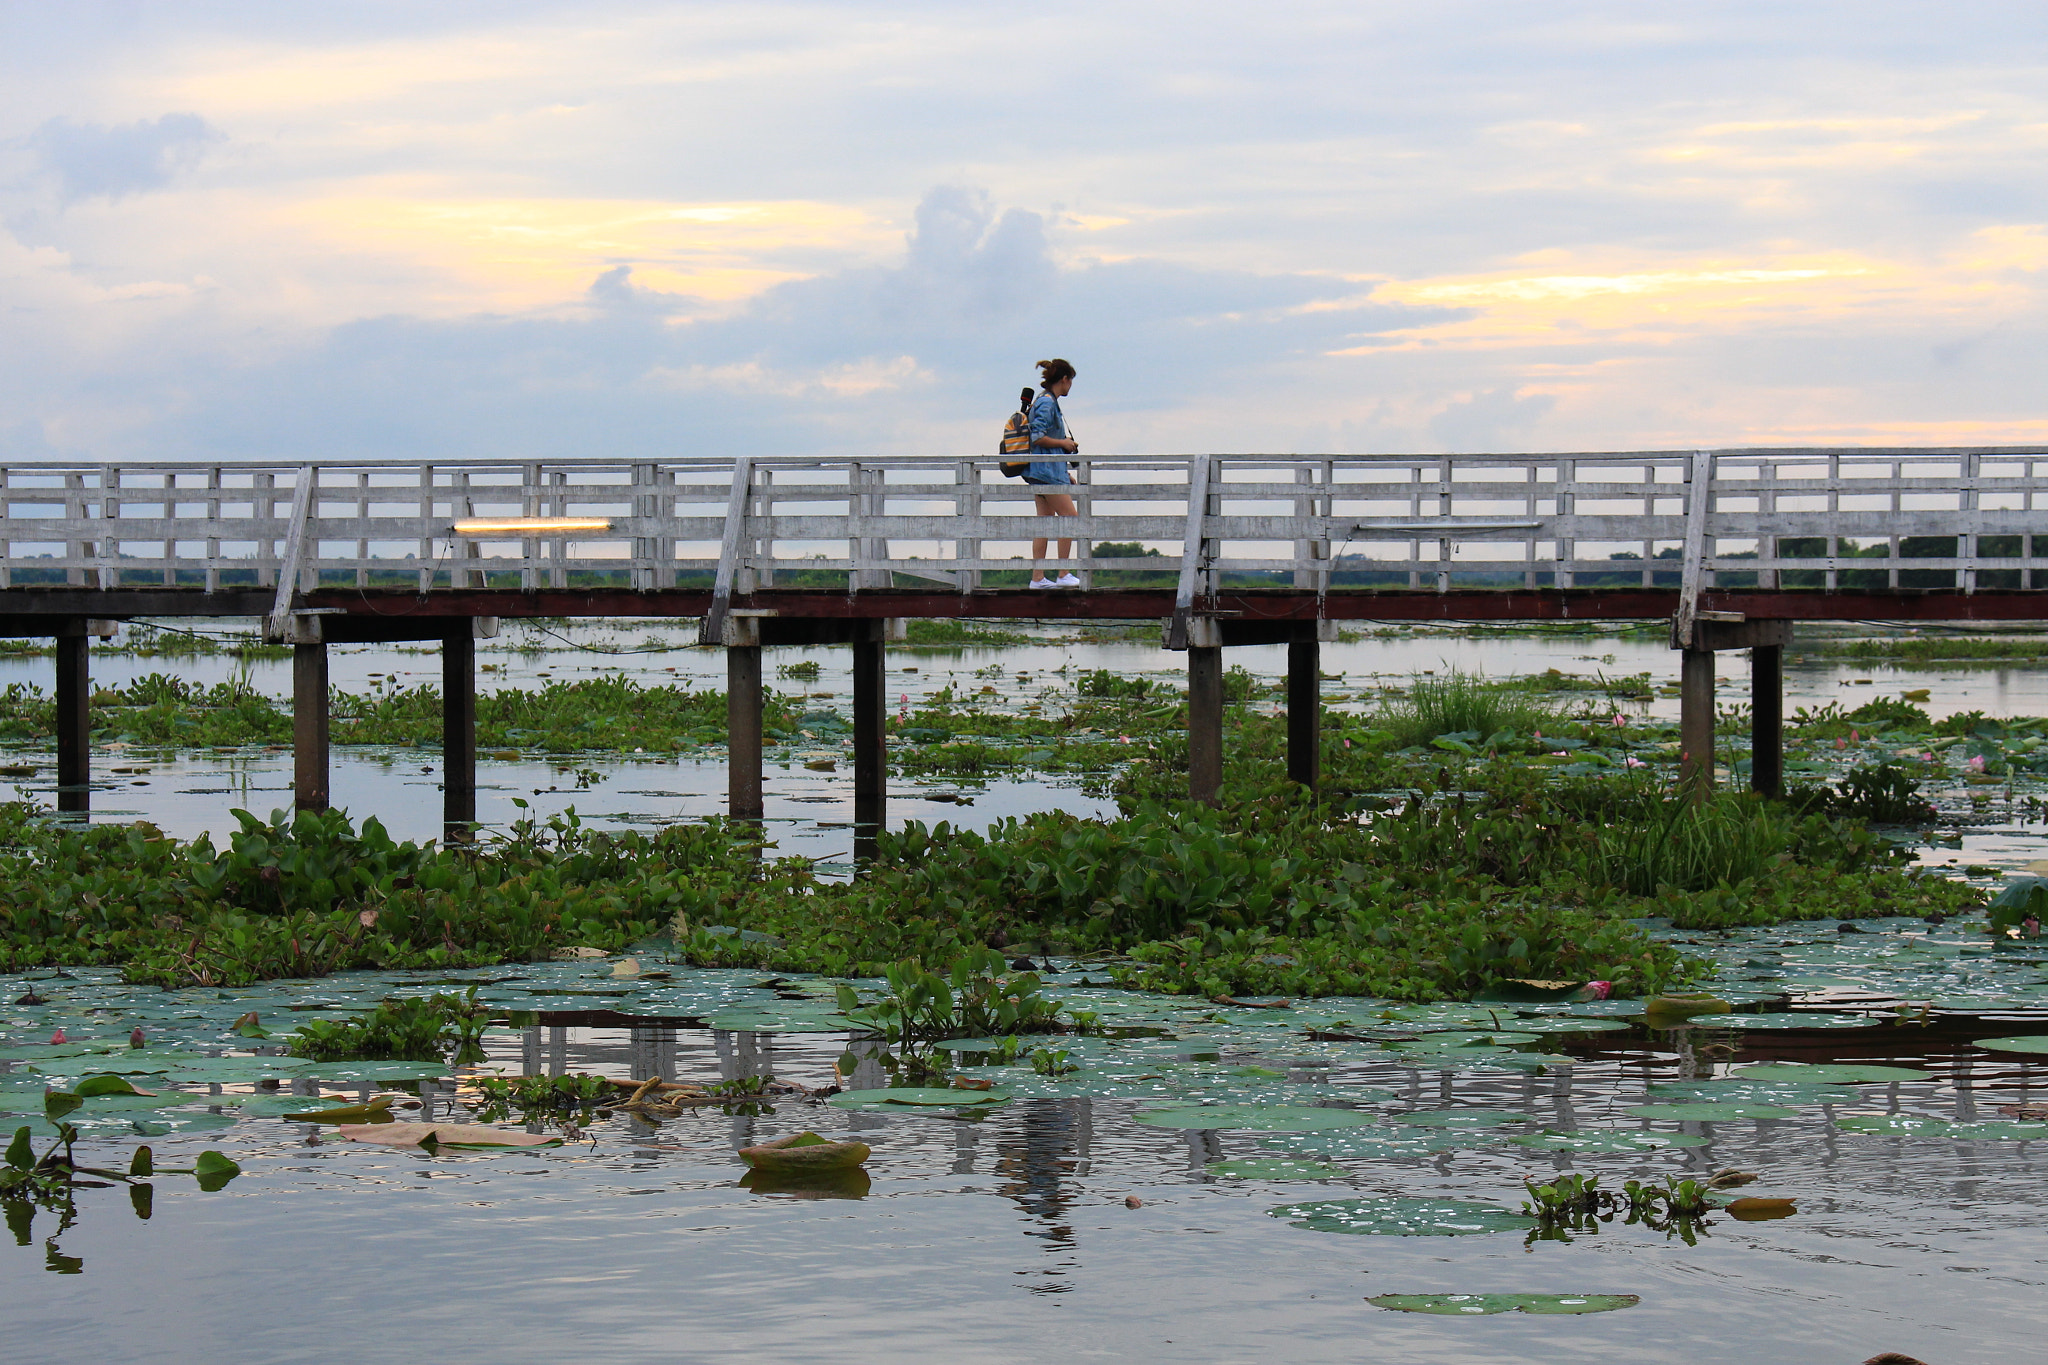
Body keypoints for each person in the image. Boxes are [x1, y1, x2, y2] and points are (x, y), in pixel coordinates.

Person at [1023, 358, 1080, 588]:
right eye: (1070, 382)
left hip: (1041, 471)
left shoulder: (1042, 401)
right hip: (1046, 473)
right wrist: (1065, 444)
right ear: (1064, 379)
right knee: (1070, 520)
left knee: (1044, 523)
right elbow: (1037, 437)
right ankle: (1064, 573)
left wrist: (1063, 472)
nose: (1070, 387)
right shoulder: (1047, 403)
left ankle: (1037, 578)